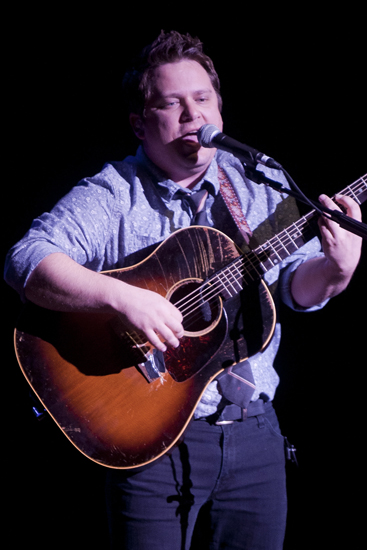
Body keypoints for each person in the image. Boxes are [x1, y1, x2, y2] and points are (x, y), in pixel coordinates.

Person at [4, 31, 362, 549]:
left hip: (256, 435)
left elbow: (294, 290)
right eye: (172, 104)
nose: (193, 115)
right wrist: (123, 298)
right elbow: (26, 259)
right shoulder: (115, 193)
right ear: (139, 123)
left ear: (220, 109)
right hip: (151, 441)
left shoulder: (259, 185)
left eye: (203, 99)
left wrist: (336, 269)